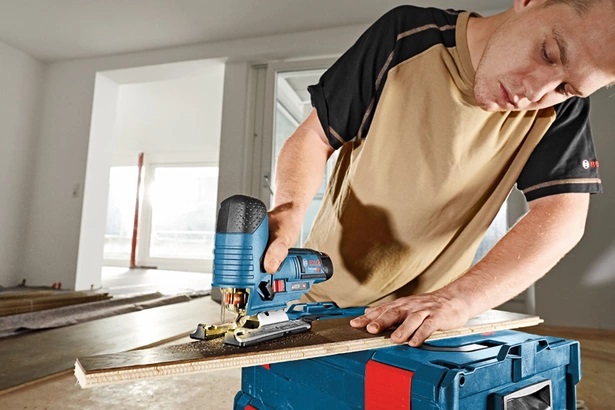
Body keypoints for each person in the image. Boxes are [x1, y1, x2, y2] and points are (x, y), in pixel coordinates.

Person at [263, 0, 614, 346]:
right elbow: (315, 136)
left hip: (421, 320)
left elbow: (563, 216)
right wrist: (288, 210)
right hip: (323, 296)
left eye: (565, 88)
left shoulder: (563, 110)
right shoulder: (406, 36)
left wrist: (459, 300)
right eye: (548, 53)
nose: (533, 92)